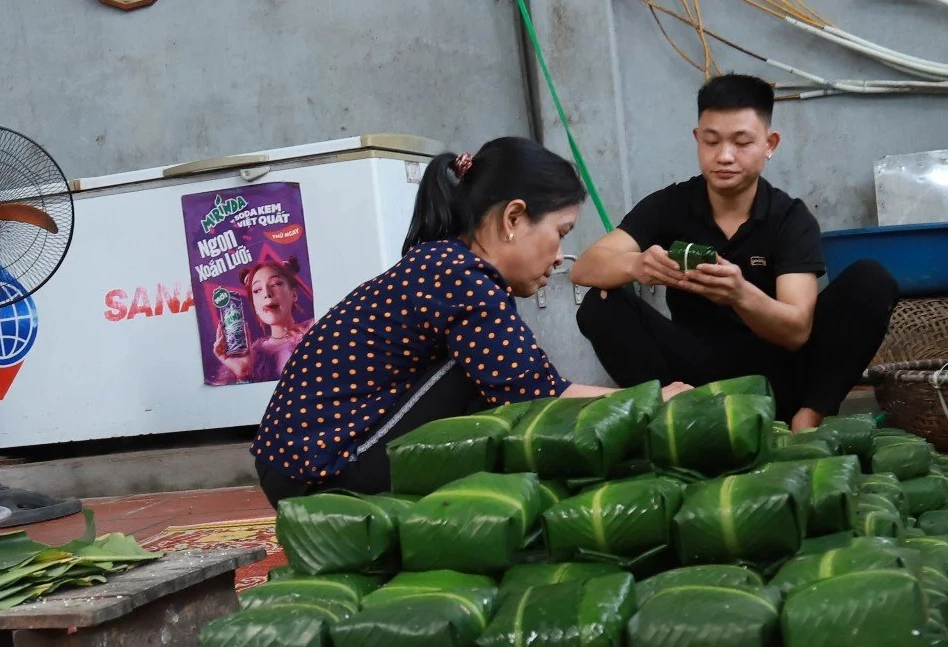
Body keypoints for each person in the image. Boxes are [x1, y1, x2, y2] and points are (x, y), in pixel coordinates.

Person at [250, 137, 692, 504]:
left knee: (493, 383)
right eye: (560, 233)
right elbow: (534, 393)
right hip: (317, 470)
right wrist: (651, 399)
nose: (560, 257)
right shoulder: (461, 275)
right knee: (488, 386)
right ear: (514, 218)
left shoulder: (448, 265)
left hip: (310, 460)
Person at [571, 73, 898, 431]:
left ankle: (807, 419)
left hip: (776, 374)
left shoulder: (790, 218)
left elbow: (796, 331)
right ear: (697, 140)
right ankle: (670, 419)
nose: (724, 156)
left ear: (769, 143)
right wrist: (636, 264)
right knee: (601, 302)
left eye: (741, 142)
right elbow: (584, 268)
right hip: (691, 375)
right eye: (711, 142)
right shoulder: (671, 205)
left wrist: (740, 294)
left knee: (871, 279)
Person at [209, 258, 312, 385]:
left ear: (294, 295)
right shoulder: (255, 355)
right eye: (257, 290)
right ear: (255, 306)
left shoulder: (316, 331)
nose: (267, 294)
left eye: (275, 284)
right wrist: (243, 373)